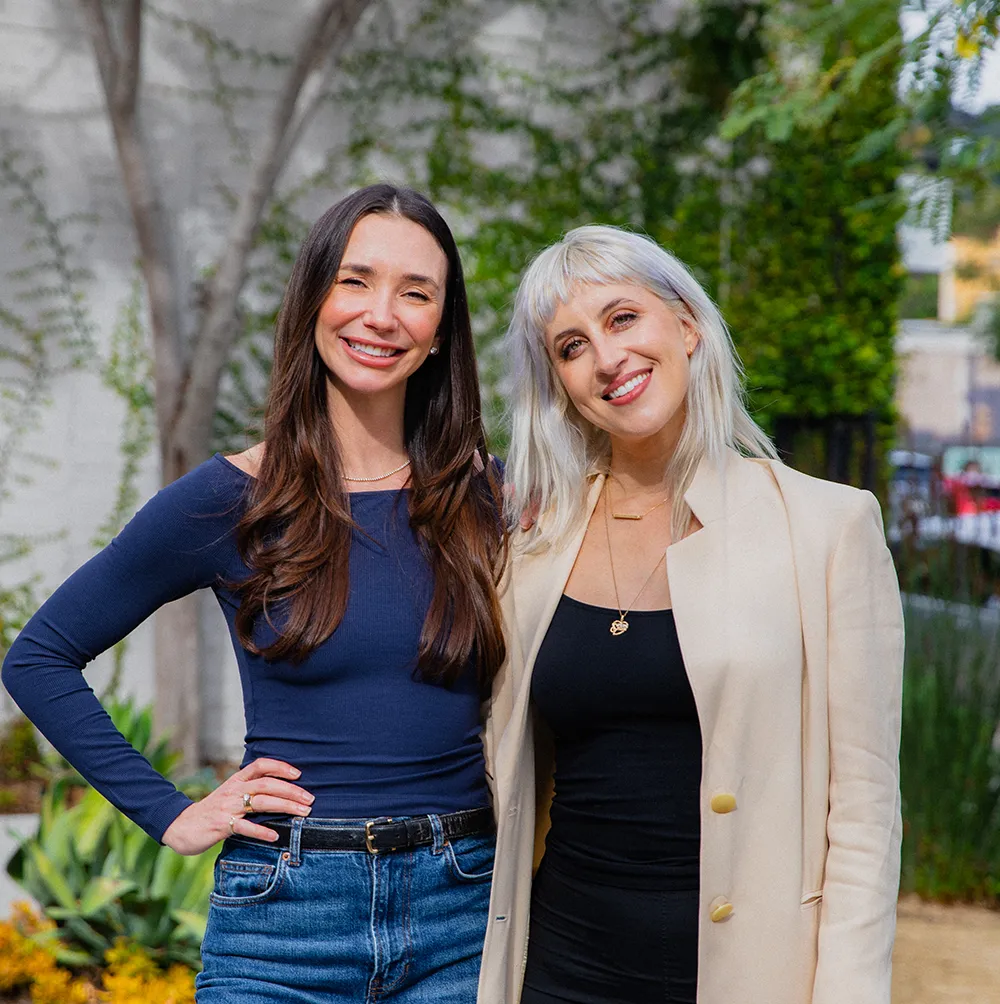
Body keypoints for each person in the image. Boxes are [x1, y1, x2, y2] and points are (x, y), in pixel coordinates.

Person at [2, 183, 507, 1003]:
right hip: (282, 920)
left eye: (416, 293)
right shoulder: (229, 498)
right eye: (355, 281)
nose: (382, 315)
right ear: (312, 300)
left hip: (464, 913)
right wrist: (170, 812)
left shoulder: (491, 499)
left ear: (442, 331)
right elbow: (39, 658)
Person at [477, 225, 904, 1004]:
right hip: (561, 971)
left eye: (622, 318)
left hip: (754, 976)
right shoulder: (531, 545)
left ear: (687, 326)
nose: (607, 358)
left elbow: (865, 815)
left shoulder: (827, 528)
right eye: (572, 347)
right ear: (561, 385)